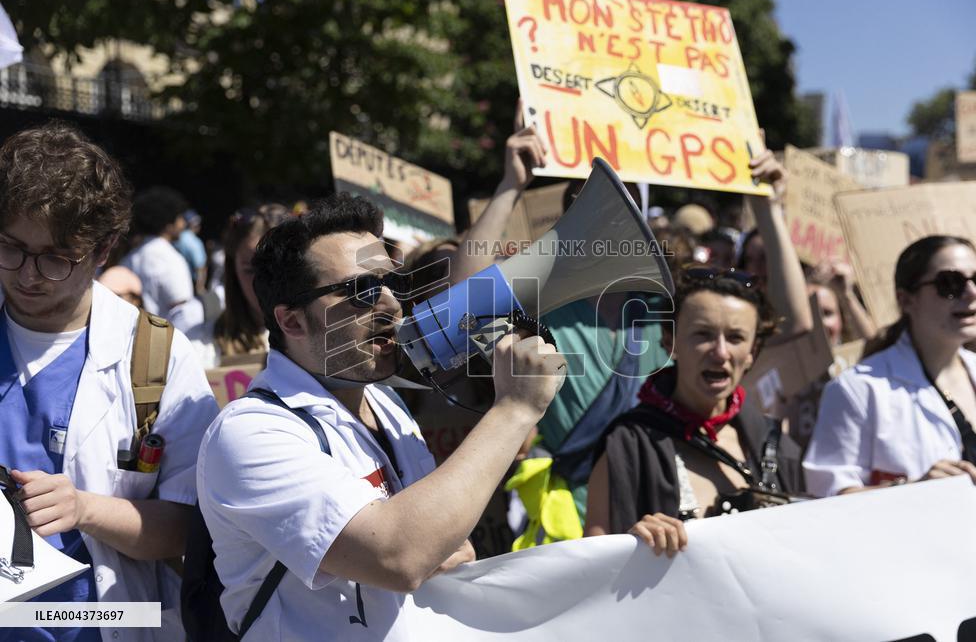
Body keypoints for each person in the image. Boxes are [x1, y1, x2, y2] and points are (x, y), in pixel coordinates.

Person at [196, 194, 566, 640]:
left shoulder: (385, 404)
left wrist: (441, 542)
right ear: (292, 322)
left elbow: (434, 541)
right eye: (362, 291)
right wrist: (515, 409)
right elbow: (400, 557)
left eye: (392, 284)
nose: (391, 304)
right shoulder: (248, 433)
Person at [0, 120, 219, 641]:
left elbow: (193, 528)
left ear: (104, 250)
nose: (28, 275)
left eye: (56, 258)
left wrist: (84, 509)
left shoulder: (158, 355)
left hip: (105, 622)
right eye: (10, 248)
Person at [584, 268, 805, 552]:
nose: (721, 352)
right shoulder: (627, 446)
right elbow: (593, 563)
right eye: (703, 334)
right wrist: (633, 545)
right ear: (669, 340)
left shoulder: (775, 444)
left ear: (753, 351)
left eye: (736, 337)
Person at [804, 236, 976, 497]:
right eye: (950, 283)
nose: (973, 293)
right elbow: (825, 496)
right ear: (906, 300)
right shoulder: (858, 389)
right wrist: (911, 491)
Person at [187, 204, 289, 368]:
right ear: (233, 272)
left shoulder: (325, 339)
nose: (265, 281)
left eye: (278, 267)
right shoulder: (203, 349)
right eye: (250, 270)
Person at [120, 186, 194, 318]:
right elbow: (184, 310)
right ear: (168, 224)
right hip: (165, 335)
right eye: (180, 218)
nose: (183, 224)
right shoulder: (171, 259)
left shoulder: (129, 258)